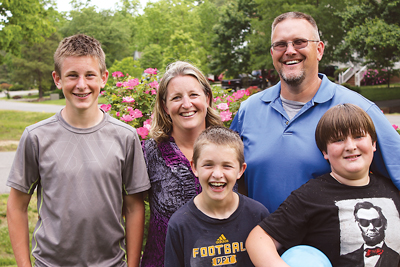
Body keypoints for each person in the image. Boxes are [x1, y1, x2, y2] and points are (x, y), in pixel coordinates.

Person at [230, 11, 400, 213]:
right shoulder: (249, 111)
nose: (290, 51)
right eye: (280, 44)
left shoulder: (358, 109)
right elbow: (232, 178)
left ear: (319, 50)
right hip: (261, 241)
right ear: (272, 53)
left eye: (300, 42)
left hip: (329, 243)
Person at [6, 34, 150, 267]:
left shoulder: (125, 136)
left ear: (103, 78)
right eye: (72, 75)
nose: (81, 85)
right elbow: (16, 206)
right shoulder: (36, 137)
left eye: (90, 75)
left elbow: (134, 206)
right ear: (57, 79)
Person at [245, 104, 400, 267]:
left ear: (373, 144)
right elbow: (258, 240)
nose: (350, 146)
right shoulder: (310, 195)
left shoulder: (392, 190)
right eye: (339, 140)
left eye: (358, 136)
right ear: (325, 152)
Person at [140, 61, 223, 266]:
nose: (186, 104)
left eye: (194, 95)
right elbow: (131, 209)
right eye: (176, 97)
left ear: (208, 98)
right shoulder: (148, 153)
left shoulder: (230, 147)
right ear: (165, 106)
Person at [164, 126, 270, 266]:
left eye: (227, 166)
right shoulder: (180, 223)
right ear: (194, 167)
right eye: (208, 165)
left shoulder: (258, 214)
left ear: (241, 170)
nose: (218, 174)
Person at [341, 201, 399, 266]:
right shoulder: (346, 258)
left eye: (376, 222)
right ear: (359, 225)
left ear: (385, 224)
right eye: (364, 222)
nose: (371, 227)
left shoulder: (396, 257)